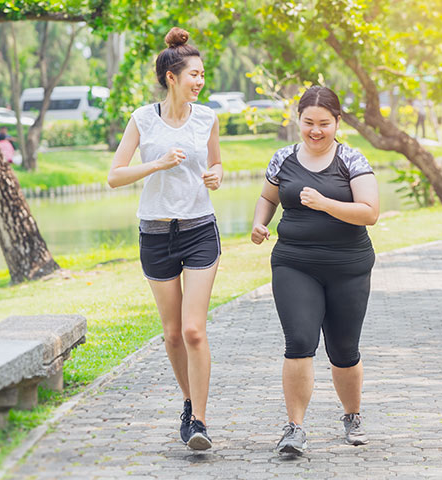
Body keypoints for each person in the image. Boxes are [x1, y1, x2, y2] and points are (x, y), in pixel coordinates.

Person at [107, 27, 222, 451]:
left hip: (199, 230)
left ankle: (201, 424)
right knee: (172, 333)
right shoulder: (142, 119)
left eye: (203, 75)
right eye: (194, 74)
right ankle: (189, 406)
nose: (200, 81)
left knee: (193, 330)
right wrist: (155, 164)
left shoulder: (207, 117)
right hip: (155, 233)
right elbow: (115, 175)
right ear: (171, 77)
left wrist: (215, 175)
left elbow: (216, 164)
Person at [250, 86, 379, 455]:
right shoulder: (283, 158)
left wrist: (325, 203)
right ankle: (294, 428)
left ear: (338, 122)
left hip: (348, 267)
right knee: (299, 342)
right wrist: (260, 224)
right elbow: (267, 197)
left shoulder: (351, 160)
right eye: (309, 123)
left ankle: (352, 416)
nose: (316, 131)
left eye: (324, 123)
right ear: (299, 121)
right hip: (294, 262)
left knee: (343, 349)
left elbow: (369, 212)